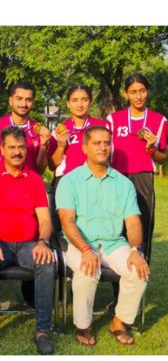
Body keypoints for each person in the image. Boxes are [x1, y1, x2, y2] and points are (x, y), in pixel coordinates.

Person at [56, 126, 149, 346]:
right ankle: (83, 325)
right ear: (85, 147)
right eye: (97, 143)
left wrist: (136, 251)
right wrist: (86, 250)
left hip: (113, 242)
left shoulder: (123, 184)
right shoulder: (69, 181)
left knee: (139, 271)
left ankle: (119, 321)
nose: (103, 147)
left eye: (107, 142)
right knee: (88, 269)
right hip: (79, 243)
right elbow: (67, 222)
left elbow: (133, 221)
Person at [0, 126, 57, 355]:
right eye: (12, 147)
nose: (17, 152)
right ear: (2, 149)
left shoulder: (35, 180)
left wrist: (43, 242)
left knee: (47, 263)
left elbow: (44, 219)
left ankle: (42, 331)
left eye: (21, 147)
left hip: (28, 245)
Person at [106, 73, 167, 263]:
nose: (138, 96)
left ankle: (141, 276)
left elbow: (163, 158)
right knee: (117, 227)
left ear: (147, 91)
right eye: (133, 92)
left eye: (142, 91)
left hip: (143, 178)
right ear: (126, 94)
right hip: (117, 177)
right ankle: (118, 282)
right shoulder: (114, 119)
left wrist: (152, 149)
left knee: (143, 226)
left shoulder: (160, 121)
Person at [0, 81, 51, 176]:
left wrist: (43, 145)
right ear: (11, 100)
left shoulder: (39, 130)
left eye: (28, 100)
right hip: (3, 188)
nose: (23, 104)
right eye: (19, 99)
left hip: (28, 187)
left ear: (33, 103)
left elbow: (40, 169)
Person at [48, 84, 107, 183]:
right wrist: (61, 147)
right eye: (75, 100)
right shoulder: (60, 130)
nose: (80, 104)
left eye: (84, 99)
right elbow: (52, 166)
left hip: (95, 179)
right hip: (66, 181)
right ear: (68, 103)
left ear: (90, 102)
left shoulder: (103, 126)